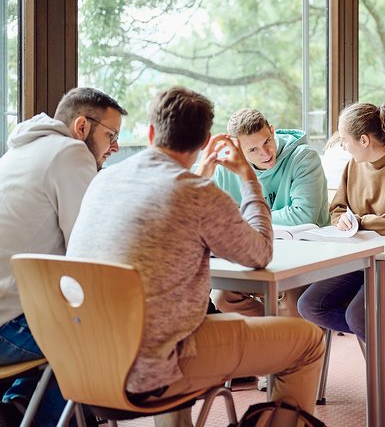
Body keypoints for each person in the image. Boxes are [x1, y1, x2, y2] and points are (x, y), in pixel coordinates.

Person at [66, 86, 324, 427]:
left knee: (169, 323)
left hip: (80, 363)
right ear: (205, 142)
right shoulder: (197, 194)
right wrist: (247, 177)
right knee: (308, 341)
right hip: (153, 371)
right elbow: (260, 252)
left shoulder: (104, 180)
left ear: (151, 132)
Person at [297, 102, 385, 407]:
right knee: (310, 305)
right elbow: (337, 208)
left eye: (345, 140)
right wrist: (342, 220)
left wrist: (367, 221)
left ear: (364, 140)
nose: (343, 147)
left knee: (359, 314)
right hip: (363, 260)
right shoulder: (353, 167)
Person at [0, 87, 126, 426]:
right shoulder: (71, 153)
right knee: (98, 333)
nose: (115, 146)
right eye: (111, 135)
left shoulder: (17, 152)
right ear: (82, 126)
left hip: (6, 318)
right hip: (7, 328)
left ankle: (17, 406)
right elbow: (90, 255)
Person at [209, 108, 329, 318]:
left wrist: (242, 218)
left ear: (272, 131)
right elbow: (213, 219)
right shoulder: (223, 169)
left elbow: (302, 215)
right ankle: (283, 335)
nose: (265, 153)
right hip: (252, 258)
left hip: (304, 255)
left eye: (267, 141)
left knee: (291, 304)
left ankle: (290, 337)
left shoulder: (304, 158)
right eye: (253, 149)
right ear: (236, 148)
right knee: (222, 296)